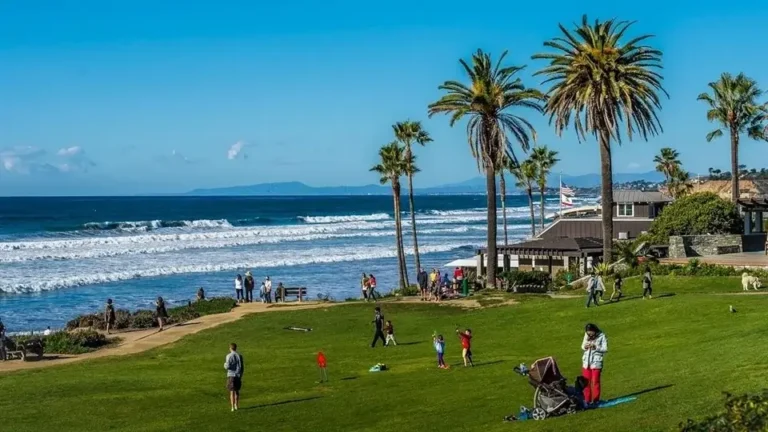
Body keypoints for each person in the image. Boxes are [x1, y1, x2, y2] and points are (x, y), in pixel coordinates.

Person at [581, 323, 608, 406]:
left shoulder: (602, 336)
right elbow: (582, 346)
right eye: (588, 332)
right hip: (586, 363)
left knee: (595, 382)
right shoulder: (586, 335)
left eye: (590, 332)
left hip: (596, 363)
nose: (589, 334)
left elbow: (605, 349)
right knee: (586, 382)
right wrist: (585, 346)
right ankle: (587, 400)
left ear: (594, 330)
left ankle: (596, 400)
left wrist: (596, 347)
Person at [224, 342, 245, 412]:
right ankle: (236, 405)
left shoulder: (228, 356)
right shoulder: (239, 356)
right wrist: (241, 374)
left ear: (230, 348)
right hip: (238, 375)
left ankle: (232, 407)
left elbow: (227, 366)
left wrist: (224, 365)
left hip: (231, 375)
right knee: (237, 391)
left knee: (231, 392)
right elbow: (241, 367)